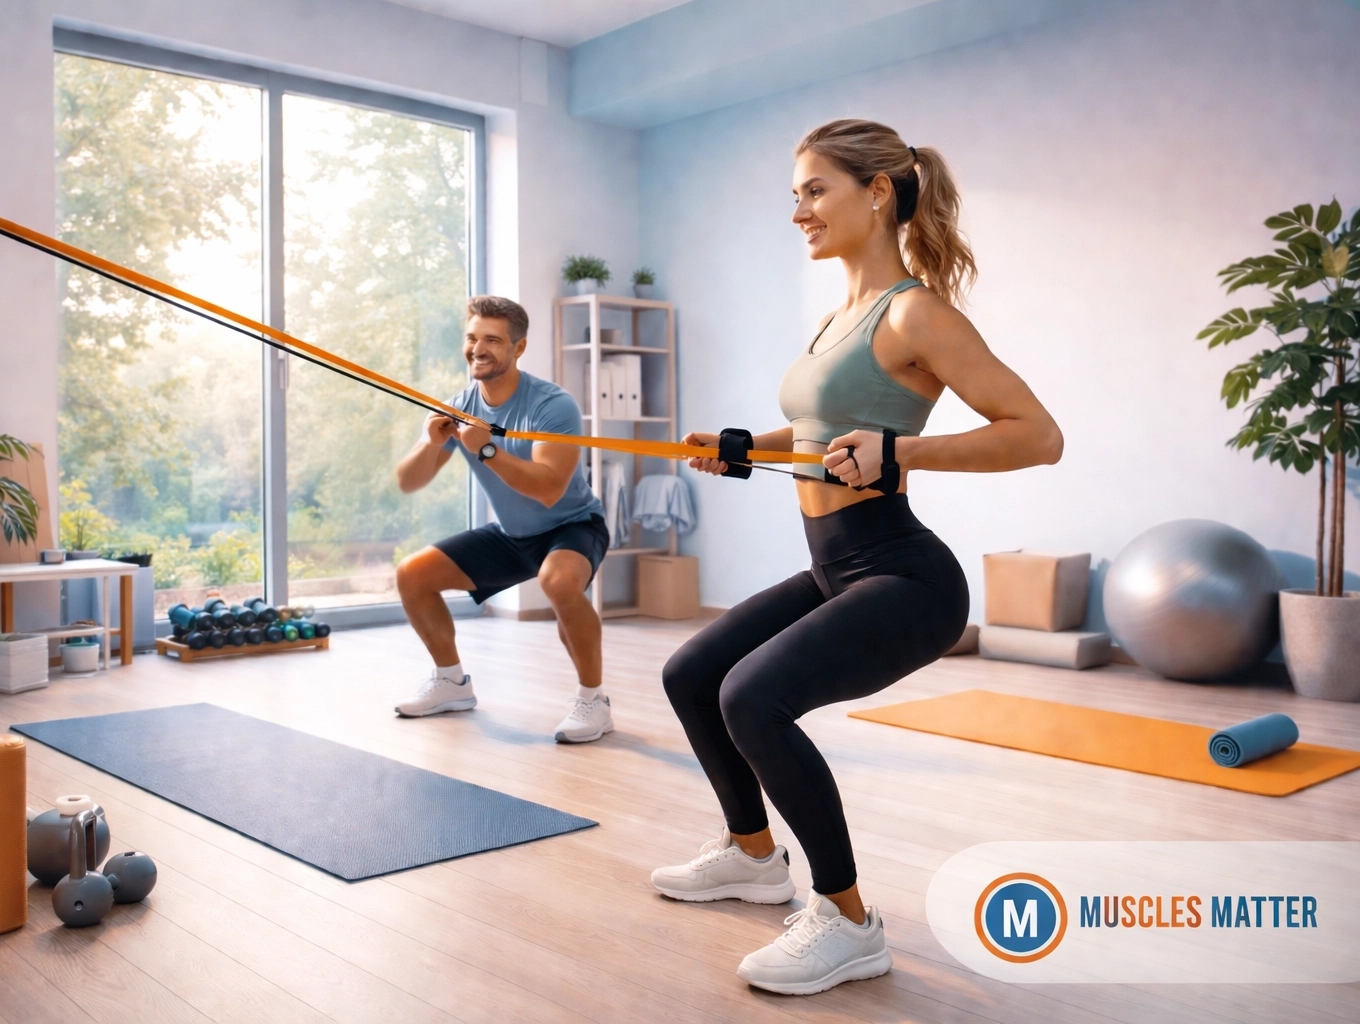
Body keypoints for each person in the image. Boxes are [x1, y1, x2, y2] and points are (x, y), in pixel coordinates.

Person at [650, 120, 1063, 995]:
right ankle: (755, 857)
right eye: (794, 194)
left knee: (752, 698)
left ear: (876, 193)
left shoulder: (914, 310)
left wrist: (901, 451)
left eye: (813, 190)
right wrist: (743, 446)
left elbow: (1038, 435)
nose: (798, 209)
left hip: (905, 576)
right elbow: (816, 433)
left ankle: (846, 919)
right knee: (693, 674)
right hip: (835, 566)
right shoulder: (839, 315)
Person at [392, 295, 614, 743]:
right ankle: (452, 683)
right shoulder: (459, 406)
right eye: (472, 337)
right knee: (413, 575)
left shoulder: (554, 405)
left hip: (571, 525)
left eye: (492, 340)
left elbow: (550, 487)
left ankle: (594, 700)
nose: (479, 348)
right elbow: (409, 482)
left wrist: (486, 448)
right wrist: (430, 442)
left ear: (519, 347)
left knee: (558, 581)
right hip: (514, 534)